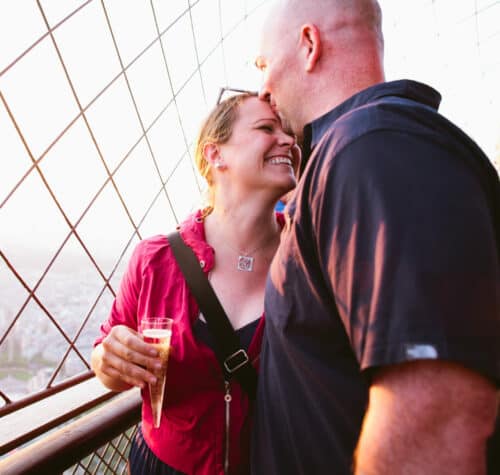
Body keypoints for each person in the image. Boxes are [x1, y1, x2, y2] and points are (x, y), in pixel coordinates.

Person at [251, 1, 500, 474]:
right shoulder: (363, 149)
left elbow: (436, 416)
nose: (262, 88)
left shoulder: (371, 146)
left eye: (264, 64)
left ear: (309, 45)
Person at [91, 92, 299, 475]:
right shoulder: (154, 261)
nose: (289, 140)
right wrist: (108, 359)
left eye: (289, 132)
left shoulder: (310, 263)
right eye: (267, 128)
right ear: (215, 155)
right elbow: (108, 359)